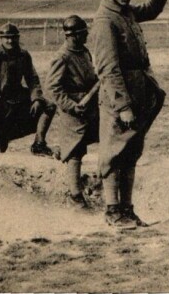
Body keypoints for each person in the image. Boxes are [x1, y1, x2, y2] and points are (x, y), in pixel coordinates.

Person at [92, 0, 169, 229]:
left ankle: (127, 210)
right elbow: (108, 68)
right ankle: (113, 211)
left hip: (137, 94)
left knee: (131, 152)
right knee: (114, 153)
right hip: (119, 99)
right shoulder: (105, 21)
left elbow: (150, 10)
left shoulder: (124, 12)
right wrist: (124, 106)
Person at [0, 23, 56, 156]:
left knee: (48, 107)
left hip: (17, 97)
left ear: (18, 38)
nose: (10, 41)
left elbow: (32, 78)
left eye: (13, 37)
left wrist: (36, 98)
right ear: (0, 39)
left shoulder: (23, 55)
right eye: (6, 37)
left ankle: (39, 144)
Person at [46, 15, 99, 209]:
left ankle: (99, 182)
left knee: (103, 138)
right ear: (73, 36)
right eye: (83, 33)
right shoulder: (62, 57)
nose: (86, 36)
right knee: (74, 151)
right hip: (73, 110)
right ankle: (75, 195)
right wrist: (71, 105)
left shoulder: (84, 52)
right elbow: (53, 88)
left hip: (90, 106)